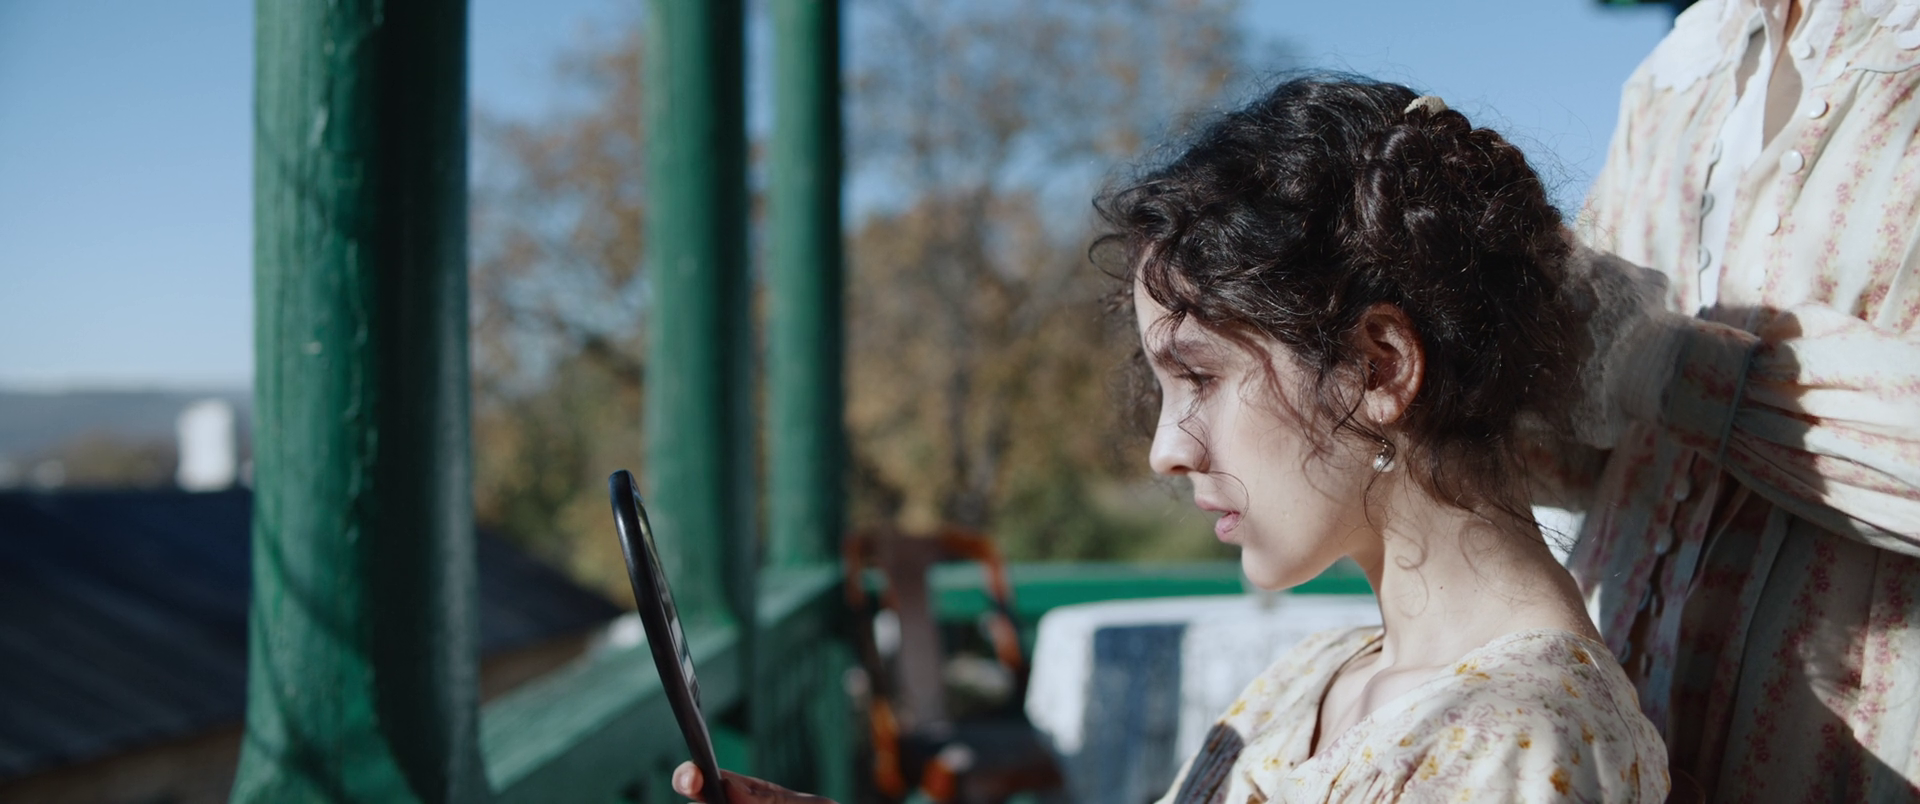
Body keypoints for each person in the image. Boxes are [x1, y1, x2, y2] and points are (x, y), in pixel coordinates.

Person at [671, 76, 1669, 803]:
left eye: (1200, 377)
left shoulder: (1515, 745)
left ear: (1378, 368)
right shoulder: (1317, 679)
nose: (1166, 451)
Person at [1539, 0, 1920, 799]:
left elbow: (1628, 358)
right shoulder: (1679, 66)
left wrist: (1657, 361)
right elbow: (1589, 454)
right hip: (1624, 747)